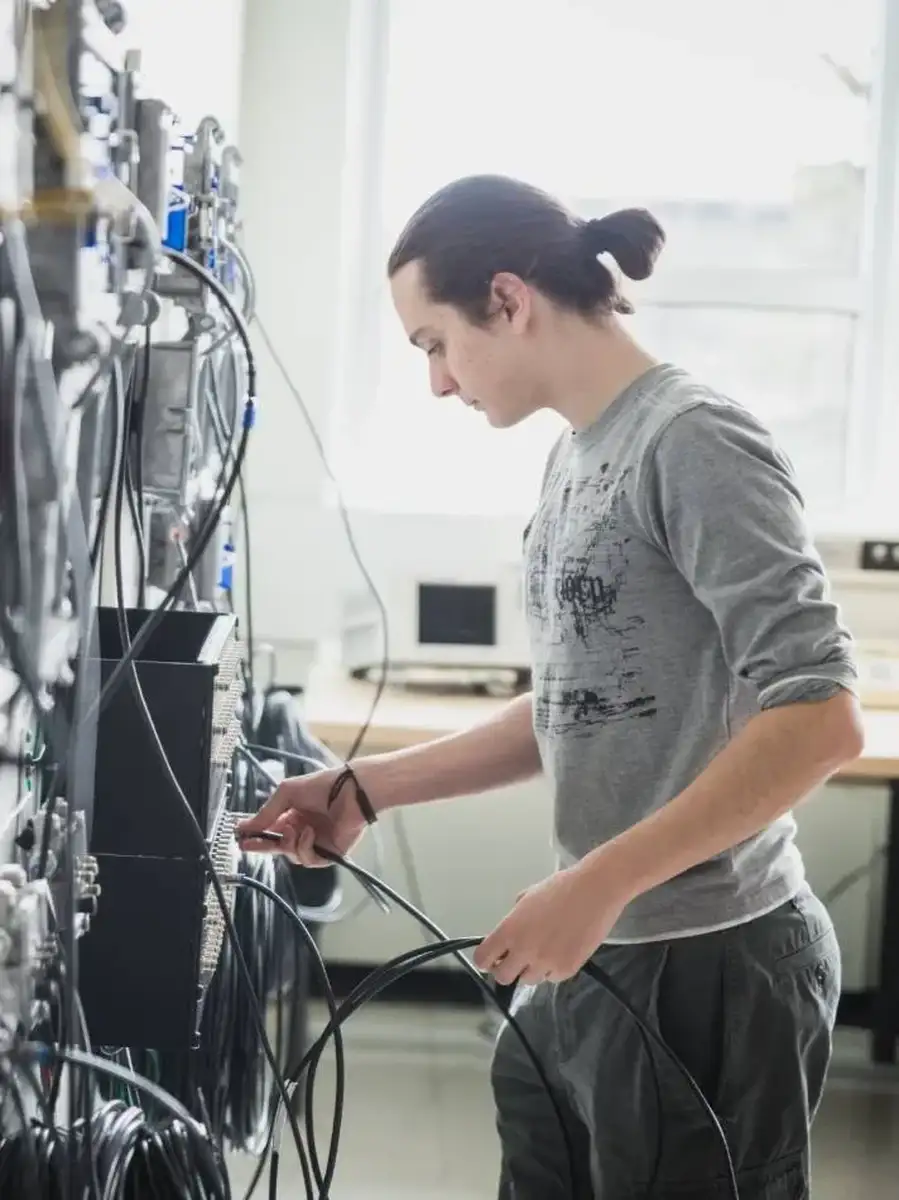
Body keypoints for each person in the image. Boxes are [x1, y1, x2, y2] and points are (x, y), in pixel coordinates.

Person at [238, 175, 865, 1198]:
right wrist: (363, 790)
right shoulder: (578, 457)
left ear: (507, 298)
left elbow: (816, 718)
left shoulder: (693, 441)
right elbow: (574, 703)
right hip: (598, 951)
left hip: (705, 963)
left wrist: (598, 883)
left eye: (433, 343)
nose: (437, 382)